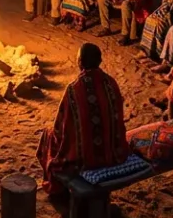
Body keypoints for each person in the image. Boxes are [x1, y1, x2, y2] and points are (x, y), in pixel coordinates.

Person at [35, 43, 130, 194]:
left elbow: (61, 127)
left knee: (48, 135)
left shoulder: (74, 89)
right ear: (100, 61)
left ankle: (59, 190)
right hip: (115, 151)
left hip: (85, 159)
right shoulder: (111, 82)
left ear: (80, 63)